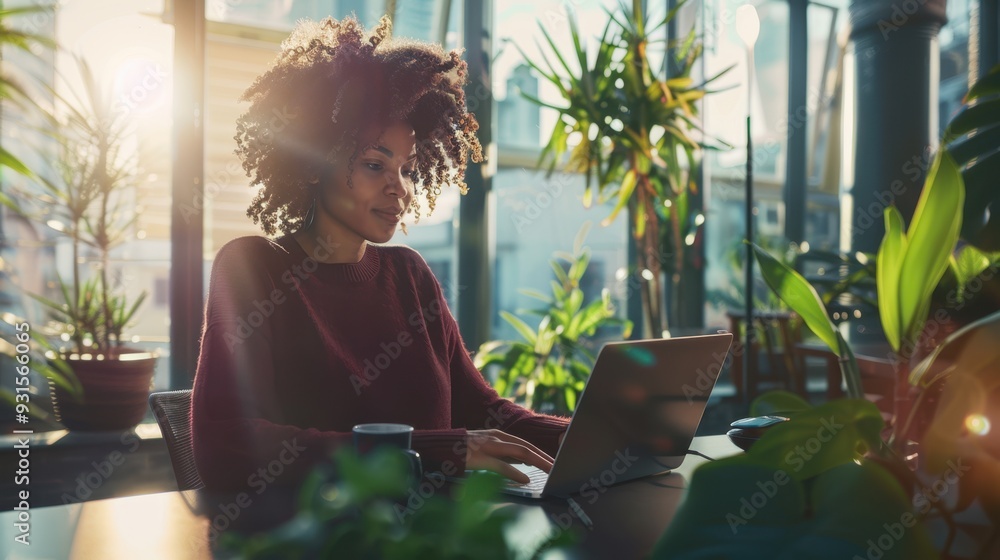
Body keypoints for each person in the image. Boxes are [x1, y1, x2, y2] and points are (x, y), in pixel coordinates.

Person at [190, 14, 569, 495]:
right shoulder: (252, 269)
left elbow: (483, 413)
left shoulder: (409, 274)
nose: (400, 189)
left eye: (407, 169)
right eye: (374, 164)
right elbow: (228, 443)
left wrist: (590, 436)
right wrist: (431, 450)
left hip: (430, 535)